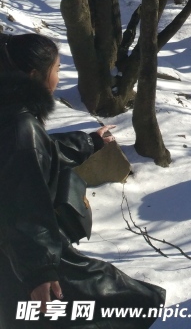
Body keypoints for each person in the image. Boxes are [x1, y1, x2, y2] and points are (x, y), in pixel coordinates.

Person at [0, 34, 165, 328]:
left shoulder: (11, 114)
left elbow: (36, 155)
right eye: (58, 69)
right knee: (130, 303)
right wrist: (40, 272)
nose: (59, 78)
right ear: (35, 75)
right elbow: (24, 205)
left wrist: (89, 142)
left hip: (16, 257)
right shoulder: (20, 125)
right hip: (29, 256)